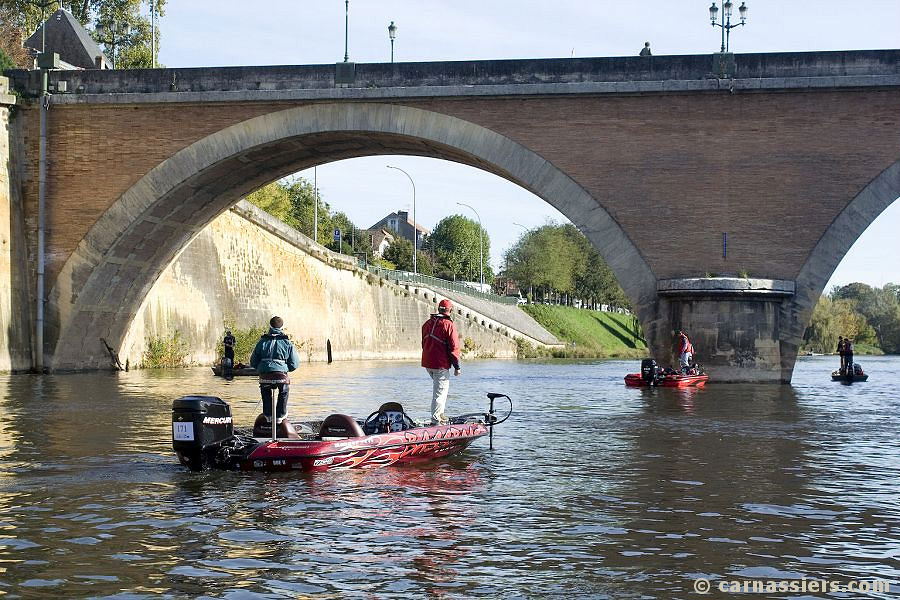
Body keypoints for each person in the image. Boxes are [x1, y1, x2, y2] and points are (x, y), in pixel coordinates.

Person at [250, 316, 300, 425]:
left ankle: (268, 415)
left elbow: (253, 361)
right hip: (281, 374)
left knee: (265, 390)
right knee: (284, 390)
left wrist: (262, 368)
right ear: (282, 327)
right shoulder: (287, 343)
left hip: (265, 374)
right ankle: (280, 415)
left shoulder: (262, 341)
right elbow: (294, 364)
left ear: (270, 326)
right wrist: (286, 369)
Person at [421, 299, 461, 426]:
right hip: (440, 364)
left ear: (439, 309)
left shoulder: (427, 323)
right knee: (440, 392)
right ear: (450, 311)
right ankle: (436, 420)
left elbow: (423, 343)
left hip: (428, 363)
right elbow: (454, 347)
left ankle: (440, 414)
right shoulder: (448, 325)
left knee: (441, 390)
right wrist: (457, 366)